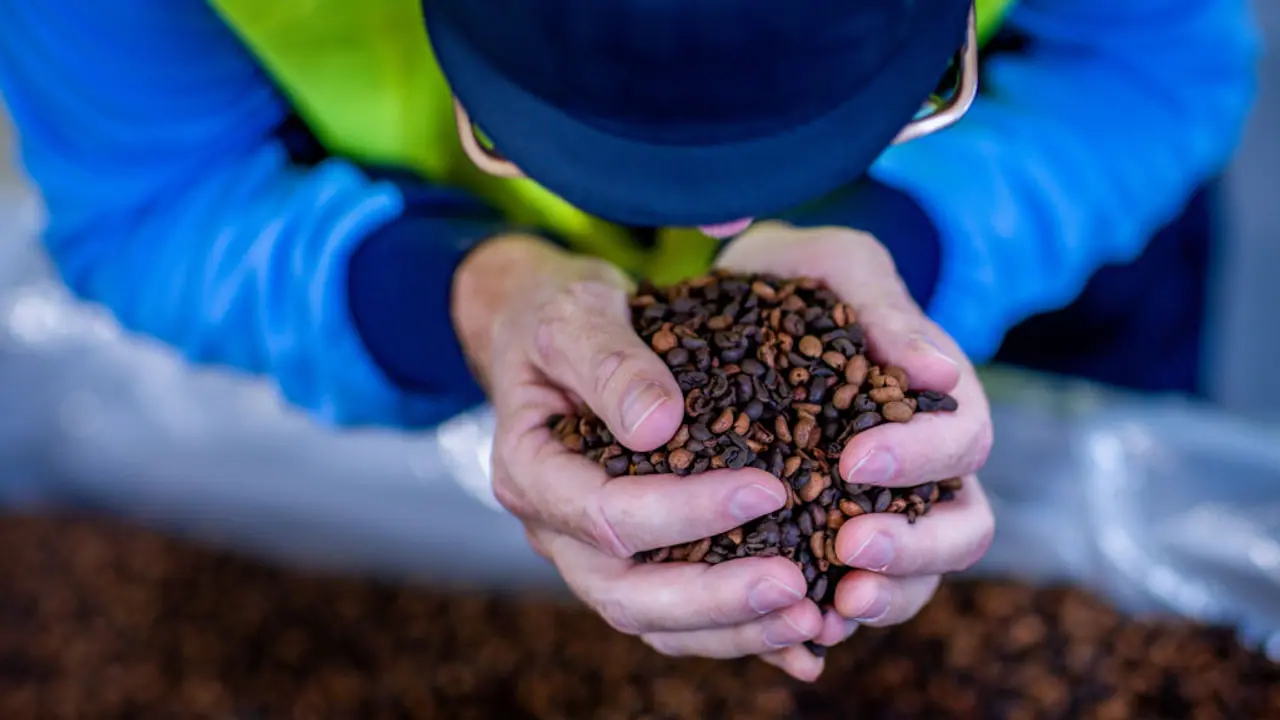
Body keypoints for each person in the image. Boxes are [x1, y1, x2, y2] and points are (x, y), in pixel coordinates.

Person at [0, 0, 1258, 682]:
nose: (721, 222)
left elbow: (1152, 63)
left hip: (1036, 260)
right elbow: (153, 195)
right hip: (401, 248)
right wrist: (471, 299)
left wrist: (917, 235)